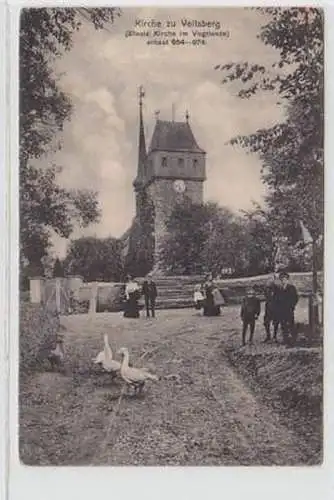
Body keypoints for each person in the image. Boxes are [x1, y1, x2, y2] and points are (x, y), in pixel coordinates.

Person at [277, 271, 299, 345]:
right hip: (281, 310)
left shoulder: (291, 288)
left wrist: (292, 306)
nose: (283, 280)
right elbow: (277, 299)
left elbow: (295, 298)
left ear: (287, 279)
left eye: (285, 279)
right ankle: (285, 339)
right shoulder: (279, 289)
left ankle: (293, 339)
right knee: (283, 325)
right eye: (282, 279)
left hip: (289, 309)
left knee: (291, 324)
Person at [263, 274, 281, 342]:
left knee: (276, 322)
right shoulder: (267, 289)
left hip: (276, 307)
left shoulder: (278, 289)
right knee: (266, 322)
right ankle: (268, 336)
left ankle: (274, 336)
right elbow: (266, 297)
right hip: (268, 307)